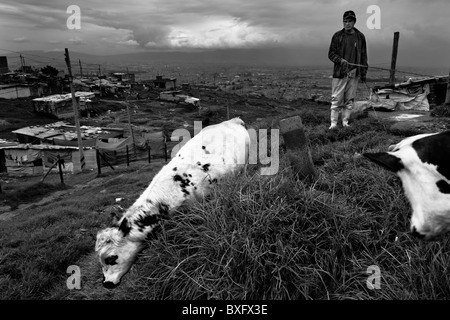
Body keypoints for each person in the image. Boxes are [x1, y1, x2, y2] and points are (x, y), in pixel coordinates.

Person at [328, 10, 368, 129]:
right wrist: (340, 60)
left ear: (354, 22)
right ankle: (333, 124)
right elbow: (331, 54)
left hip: (354, 72)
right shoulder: (337, 36)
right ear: (343, 22)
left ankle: (345, 122)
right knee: (336, 99)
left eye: (350, 21)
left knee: (349, 99)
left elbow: (364, 55)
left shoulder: (360, 37)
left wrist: (363, 73)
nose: (347, 24)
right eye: (345, 21)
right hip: (340, 73)